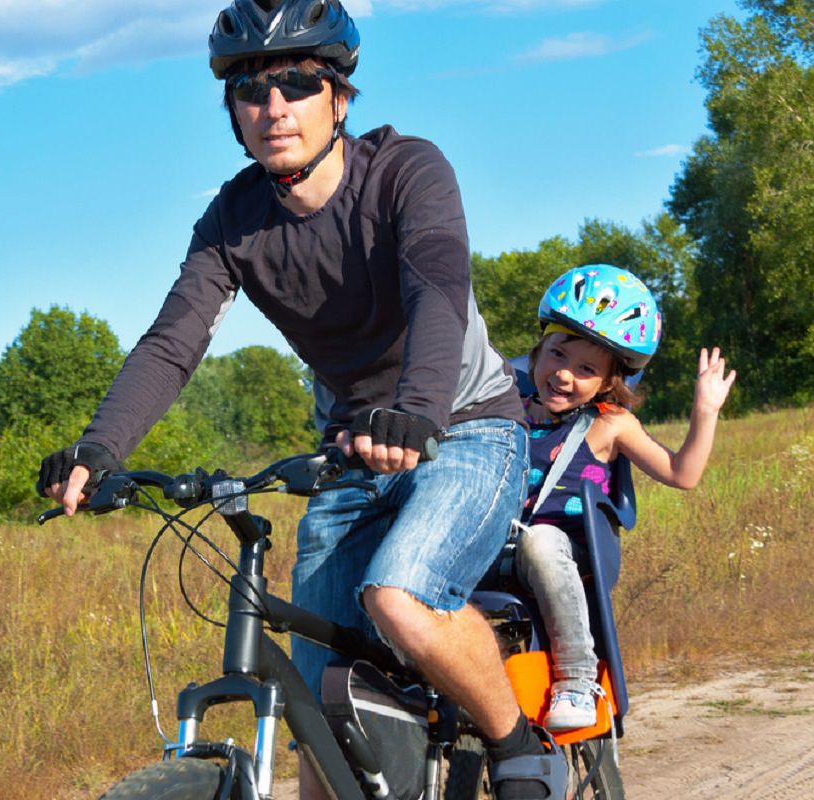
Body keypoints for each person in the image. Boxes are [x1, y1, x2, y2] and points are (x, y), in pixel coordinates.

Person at [37, 1, 565, 797]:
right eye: (252, 91)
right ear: (234, 115)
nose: (274, 105)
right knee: (316, 707)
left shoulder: (407, 171)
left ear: (339, 99)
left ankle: (515, 741)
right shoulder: (232, 223)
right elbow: (173, 341)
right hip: (351, 455)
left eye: (296, 81)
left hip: (464, 428)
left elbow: (437, 291)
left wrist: (419, 409)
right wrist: (99, 449)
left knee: (400, 598)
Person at [516, 264, 736, 730]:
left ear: (608, 382)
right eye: (557, 354)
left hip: (570, 550)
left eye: (587, 369)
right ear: (536, 355)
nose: (565, 375)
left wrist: (705, 410)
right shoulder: (505, 410)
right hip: (500, 541)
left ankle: (576, 678)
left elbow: (682, 473)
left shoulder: (611, 424)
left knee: (540, 540)